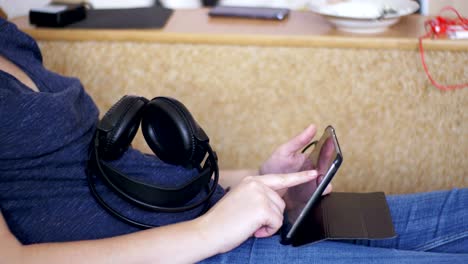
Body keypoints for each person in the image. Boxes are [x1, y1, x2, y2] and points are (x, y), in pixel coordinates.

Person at [0, 16, 467, 264]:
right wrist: (207, 233)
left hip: (215, 221)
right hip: (190, 250)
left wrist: (258, 178)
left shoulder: (8, 38)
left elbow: (102, 174)